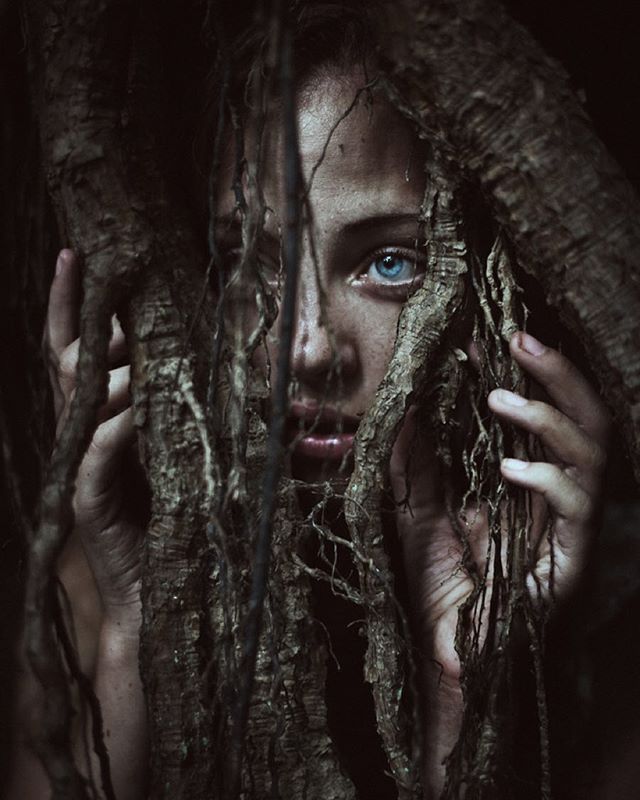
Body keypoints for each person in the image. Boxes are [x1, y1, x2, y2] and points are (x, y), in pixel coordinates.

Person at [9, 7, 611, 799]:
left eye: (391, 263)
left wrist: (460, 676)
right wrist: (137, 617)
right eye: (249, 270)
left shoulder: (613, 615)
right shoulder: (85, 577)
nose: (310, 349)